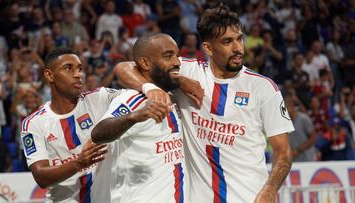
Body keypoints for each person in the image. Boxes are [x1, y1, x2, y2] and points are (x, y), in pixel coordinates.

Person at [114, 6, 294, 203]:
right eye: (227, 41)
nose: (238, 48)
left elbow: (283, 152)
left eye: (239, 39)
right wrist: (162, 85)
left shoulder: (263, 88)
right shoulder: (188, 71)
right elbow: (124, 68)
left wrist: (270, 189)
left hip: (250, 198)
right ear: (208, 47)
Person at [91, 33, 193, 203]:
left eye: (177, 55)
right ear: (145, 63)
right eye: (168, 56)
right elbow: (98, 133)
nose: (176, 62)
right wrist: (135, 116)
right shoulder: (133, 99)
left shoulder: (172, 95)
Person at [20, 47, 121, 202]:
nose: (78, 74)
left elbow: (132, 87)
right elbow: (41, 177)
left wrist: (149, 88)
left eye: (80, 69)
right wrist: (78, 163)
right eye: (68, 68)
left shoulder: (99, 99)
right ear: (49, 75)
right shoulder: (33, 123)